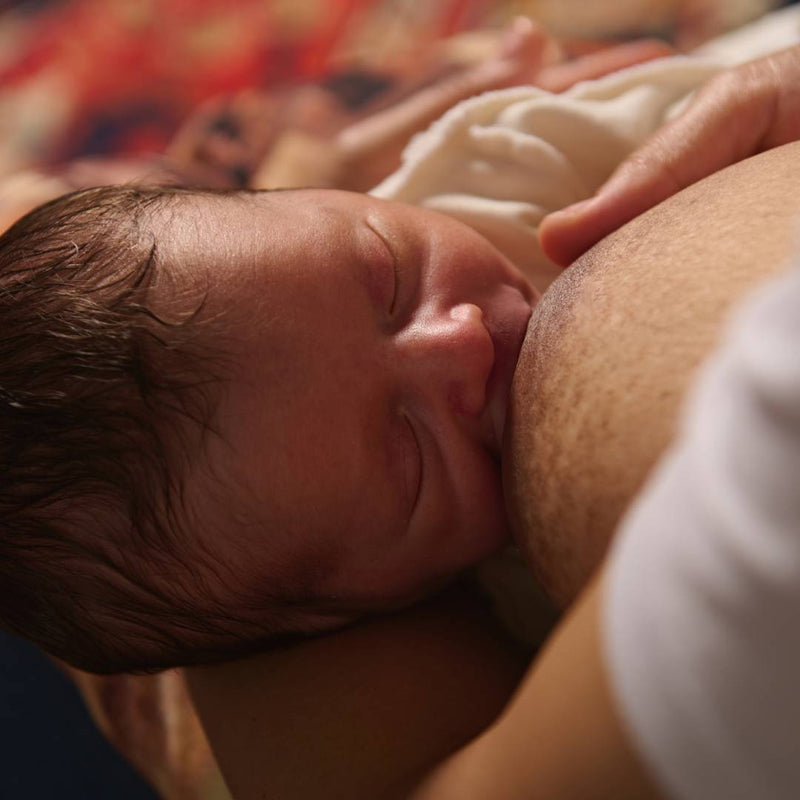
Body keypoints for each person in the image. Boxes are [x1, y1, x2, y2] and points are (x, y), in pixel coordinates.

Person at [184, 42, 800, 800]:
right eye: (407, 451)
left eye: (388, 282)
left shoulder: (486, 169)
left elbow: (704, 97)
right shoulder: (504, 616)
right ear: (373, 602)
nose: (458, 342)